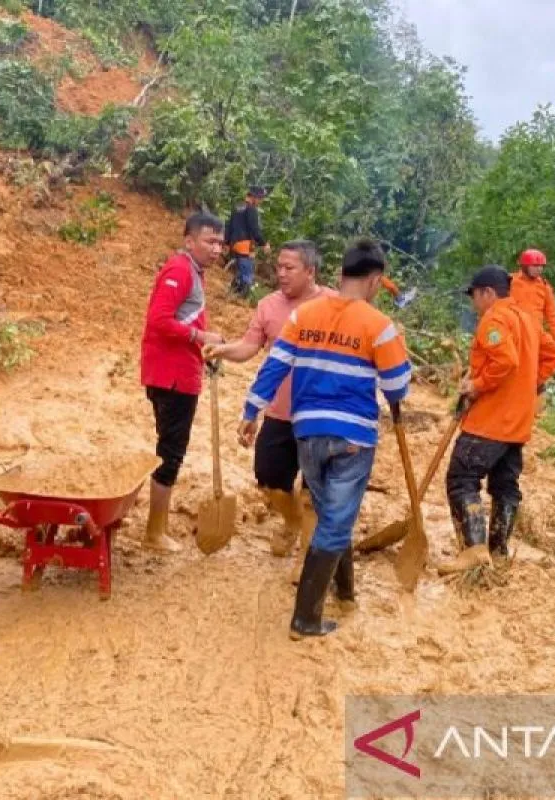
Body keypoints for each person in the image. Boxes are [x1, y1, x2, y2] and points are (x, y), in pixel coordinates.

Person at [238, 239, 412, 640]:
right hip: (353, 436)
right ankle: (306, 618)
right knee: (335, 518)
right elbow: (398, 388)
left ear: (339, 275)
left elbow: (275, 366)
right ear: (374, 281)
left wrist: (251, 410)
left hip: (308, 432)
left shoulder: (304, 316)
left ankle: (346, 593)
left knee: (334, 512)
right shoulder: (379, 326)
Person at [206, 240, 333, 561]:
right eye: (279, 267)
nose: (281, 274)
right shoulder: (268, 306)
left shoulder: (334, 304)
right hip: (279, 412)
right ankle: (292, 523)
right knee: (268, 479)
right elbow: (250, 347)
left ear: (310, 271)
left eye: (289, 268)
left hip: (321, 417)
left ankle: (307, 561)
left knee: (313, 493)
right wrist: (223, 350)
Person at [439, 266, 555, 574]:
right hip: (518, 423)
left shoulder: (494, 318)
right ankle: (498, 551)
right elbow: (554, 355)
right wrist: (529, 384)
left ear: (488, 293)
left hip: (490, 421)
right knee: (505, 486)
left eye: (475, 297)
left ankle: (473, 550)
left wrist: (477, 385)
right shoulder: (527, 320)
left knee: (461, 478)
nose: (474, 304)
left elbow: (505, 360)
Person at [140, 211, 226, 553]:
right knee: (170, 453)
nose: (217, 249)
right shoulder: (179, 269)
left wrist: (204, 343)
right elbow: (158, 320)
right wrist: (200, 335)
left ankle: (155, 527)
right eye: (209, 241)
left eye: (220, 242)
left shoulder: (193, 271)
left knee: (170, 449)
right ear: (189, 241)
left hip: (177, 371)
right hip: (172, 377)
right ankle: (153, 533)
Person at [510, 248, 555, 347]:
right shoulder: (510, 281)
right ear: (525, 266)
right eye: (535, 265)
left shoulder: (544, 287)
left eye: (541, 266)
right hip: (512, 335)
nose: (539, 269)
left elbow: (552, 315)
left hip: (534, 336)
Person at [225, 186, 271, 297]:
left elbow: (229, 225)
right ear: (254, 197)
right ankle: (242, 298)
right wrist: (263, 243)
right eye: (260, 199)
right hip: (244, 244)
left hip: (234, 243)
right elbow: (254, 229)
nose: (260, 201)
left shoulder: (238, 207)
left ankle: (233, 293)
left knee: (240, 270)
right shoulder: (251, 209)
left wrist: (226, 242)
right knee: (247, 272)